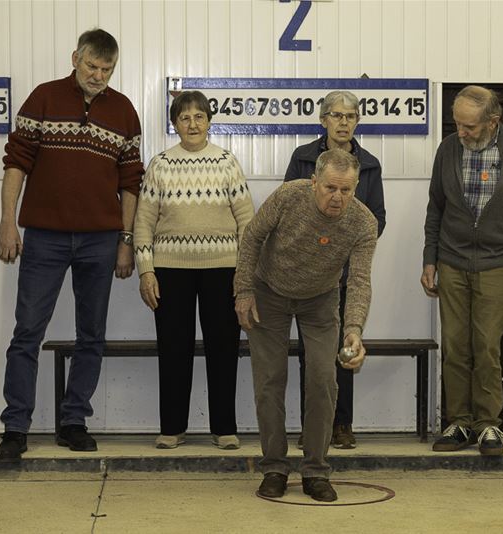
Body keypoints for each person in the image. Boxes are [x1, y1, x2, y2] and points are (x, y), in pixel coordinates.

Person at [0, 29, 144, 462]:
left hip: (101, 239)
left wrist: (125, 241)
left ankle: (74, 420)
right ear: (75, 57)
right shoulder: (42, 97)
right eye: (92, 66)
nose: (98, 75)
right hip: (43, 237)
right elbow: (16, 163)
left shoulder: (124, 111)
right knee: (27, 333)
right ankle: (15, 426)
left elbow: (130, 184)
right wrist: (8, 223)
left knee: (91, 336)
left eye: (107, 69)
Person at [235, 149, 378, 502]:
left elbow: (359, 281)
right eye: (330, 188)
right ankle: (274, 467)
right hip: (269, 293)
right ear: (314, 182)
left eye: (346, 190)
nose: (337, 197)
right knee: (269, 380)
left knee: (322, 380)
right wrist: (243, 290)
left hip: (320, 300)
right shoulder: (288, 196)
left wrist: (354, 329)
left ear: (356, 188)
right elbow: (252, 237)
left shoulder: (363, 223)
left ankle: (315, 469)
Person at [421, 85, 503, 456]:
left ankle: (488, 425)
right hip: (452, 261)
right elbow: (435, 209)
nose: (461, 132)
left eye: (469, 127)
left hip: (500, 262)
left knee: (486, 345)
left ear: (493, 122)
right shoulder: (448, 149)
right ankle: (459, 422)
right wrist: (430, 258)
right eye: (457, 124)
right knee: (455, 346)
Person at [134, 91, 254, 450]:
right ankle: (172, 427)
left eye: (199, 117)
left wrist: (244, 272)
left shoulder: (227, 162)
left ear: (209, 122)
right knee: (173, 349)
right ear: (174, 124)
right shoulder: (160, 165)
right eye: (184, 118)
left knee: (224, 348)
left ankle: (224, 428)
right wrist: (146, 270)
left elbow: (247, 221)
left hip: (223, 269)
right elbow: (143, 222)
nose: (192, 124)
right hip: (170, 270)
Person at [284, 90, 385, 450]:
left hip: (345, 273)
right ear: (323, 119)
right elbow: (290, 211)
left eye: (350, 116)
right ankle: (311, 426)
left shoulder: (370, 164)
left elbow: (377, 218)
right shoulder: (302, 159)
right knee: (310, 353)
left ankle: (341, 424)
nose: (343, 122)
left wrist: (345, 240)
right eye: (336, 116)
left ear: (357, 121)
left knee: (345, 347)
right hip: (308, 275)